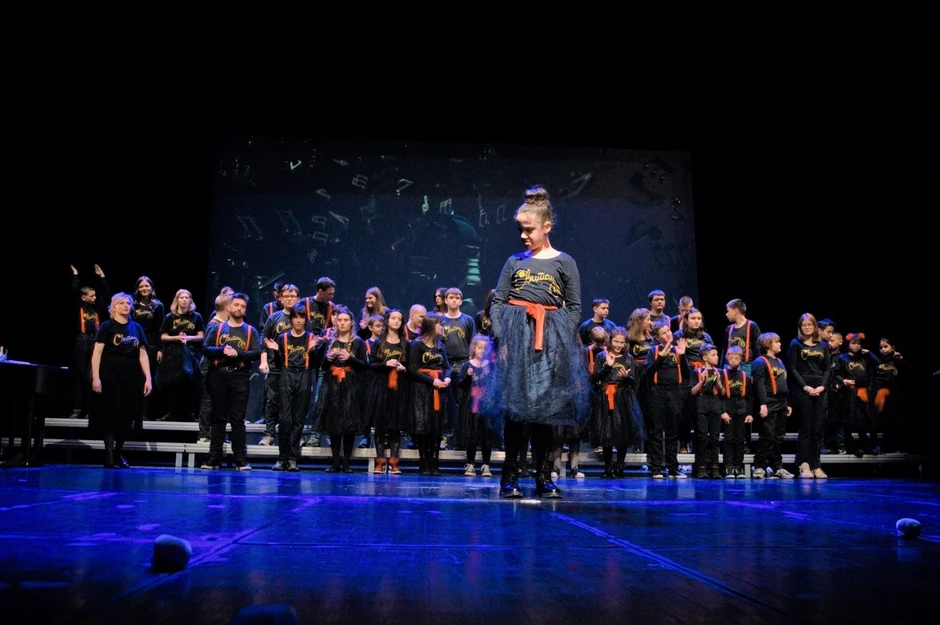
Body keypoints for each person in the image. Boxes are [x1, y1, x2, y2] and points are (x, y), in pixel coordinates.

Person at [484, 186, 589, 499]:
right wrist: (502, 339)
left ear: (547, 227)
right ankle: (510, 476)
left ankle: (544, 476)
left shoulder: (564, 262)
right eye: (520, 229)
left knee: (545, 413)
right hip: (517, 342)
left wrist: (561, 340)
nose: (523, 236)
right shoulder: (514, 262)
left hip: (549, 343)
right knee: (516, 412)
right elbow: (498, 302)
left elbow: (574, 307)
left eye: (529, 230)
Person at [90, 293, 151, 468]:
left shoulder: (136, 328)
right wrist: (96, 377)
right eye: (121, 303)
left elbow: (142, 354)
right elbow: (97, 353)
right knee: (110, 414)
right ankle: (108, 453)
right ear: (114, 306)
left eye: (128, 303)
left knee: (127, 415)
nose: (125, 306)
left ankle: (118, 452)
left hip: (131, 376)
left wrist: (148, 378)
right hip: (110, 374)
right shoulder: (107, 326)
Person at [201, 293, 261, 471]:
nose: (239, 308)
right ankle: (214, 458)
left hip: (240, 376)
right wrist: (222, 350)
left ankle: (240, 460)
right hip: (219, 375)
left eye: (242, 306)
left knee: (238, 420)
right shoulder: (218, 328)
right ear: (229, 307)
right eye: (236, 305)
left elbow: (256, 353)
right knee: (218, 419)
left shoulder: (250, 331)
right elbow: (206, 349)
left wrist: (238, 354)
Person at [268, 304, 321, 471]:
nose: (298, 320)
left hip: (304, 375)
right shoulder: (283, 338)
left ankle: (292, 458)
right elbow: (278, 363)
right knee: (285, 419)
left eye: (301, 317)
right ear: (291, 319)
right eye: (295, 317)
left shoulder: (310, 338)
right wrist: (276, 351)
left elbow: (315, 364)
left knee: (298, 420)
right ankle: (281, 457)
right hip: (286, 375)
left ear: (305, 320)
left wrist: (312, 351)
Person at [407, 312, 452, 475]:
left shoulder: (440, 346)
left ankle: (434, 462)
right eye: (440, 324)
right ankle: (424, 462)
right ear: (432, 325)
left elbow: (446, 367)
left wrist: (447, 378)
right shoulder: (417, 345)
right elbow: (412, 370)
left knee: (436, 428)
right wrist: (432, 381)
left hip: (439, 389)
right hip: (422, 390)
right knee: (424, 427)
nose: (442, 327)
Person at [788, 313, 831, 479]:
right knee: (805, 427)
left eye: (809, 325)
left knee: (817, 428)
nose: (807, 327)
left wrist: (822, 386)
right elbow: (792, 368)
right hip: (803, 389)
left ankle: (816, 465)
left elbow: (827, 369)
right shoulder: (795, 344)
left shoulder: (823, 345)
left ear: (815, 327)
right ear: (800, 327)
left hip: (820, 389)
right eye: (804, 325)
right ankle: (803, 464)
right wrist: (805, 387)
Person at [751, 333, 795, 478]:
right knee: (767, 435)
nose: (780, 344)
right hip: (769, 401)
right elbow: (759, 385)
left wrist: (788, 403)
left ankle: (777, 467)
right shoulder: (760, 362)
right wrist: (763, 404)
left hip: (781, 402)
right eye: (776, 342)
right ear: (768, 344)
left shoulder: (780, 362)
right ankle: (759, 466)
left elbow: (784, 384)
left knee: (778, 436)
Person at [69, 263, 109, 419]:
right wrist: (75, 276)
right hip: (82, 342)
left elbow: (106, 293)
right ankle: (77, 408)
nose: (95, 298)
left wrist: (102, 277)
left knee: (92, 376)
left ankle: (90, 409)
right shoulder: (78, 307)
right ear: (83, 297)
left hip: (95, 342)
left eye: (94, 295)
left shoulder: (96, 309)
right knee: (80, 375)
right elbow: (74, 292)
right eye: (91, 296)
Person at [456, 335, 497, 477]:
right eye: (479, 348)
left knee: (486, 435)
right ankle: (470, 463)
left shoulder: (490, 366)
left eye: (485, 348)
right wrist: (467, 376)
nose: (482, 351)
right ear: (474, 348)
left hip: (486, 405)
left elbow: (495, 385)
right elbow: (461, 384)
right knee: (472, 434)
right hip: (472, 404)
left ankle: (486, 464)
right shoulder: (467, 365)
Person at [131, 276, 164, 422]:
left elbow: (160, 329)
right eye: (141, 286)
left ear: (151, 288)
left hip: (150, 345)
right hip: (134, 344)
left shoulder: (158, 306)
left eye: (146, 286)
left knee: (147, 378)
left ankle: (145, 412)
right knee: (134, 377)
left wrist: (160, 349)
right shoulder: (132, 305)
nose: (144, 288)